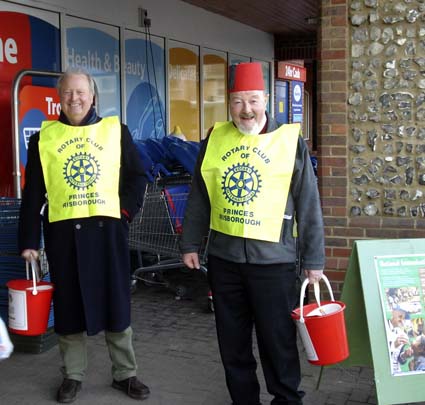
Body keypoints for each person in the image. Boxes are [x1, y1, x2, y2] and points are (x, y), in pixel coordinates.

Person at [180, 62, 325, 405]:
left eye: (253, 101)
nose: (246, 110)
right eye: (238, 102)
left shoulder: (289, 141)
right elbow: (201, 194)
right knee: (232, 340)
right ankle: (243, 400)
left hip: (274, 263)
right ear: (229, 104)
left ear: (266, 100)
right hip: (225, 260)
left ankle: (287, 399)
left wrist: (314, 258)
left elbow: (308, 202)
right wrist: (190, 242)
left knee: (278, 340)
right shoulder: (215, 138)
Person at [18, 68, 149, 403]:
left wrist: (124, 213)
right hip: (64, 239)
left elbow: (137, 177)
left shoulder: (115, 132)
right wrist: (30, 242)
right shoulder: (43, 139)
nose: (74, 99)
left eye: (80, 92)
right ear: (59, 98)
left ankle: (125, 373)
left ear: (92, 96)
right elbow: (33, 193)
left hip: (108, 236)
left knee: (116, 305)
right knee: (69, 307)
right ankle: (72, 376)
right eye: (67, 93)